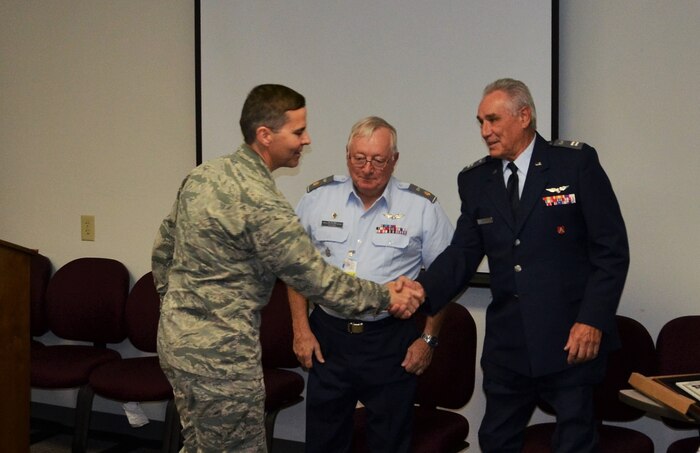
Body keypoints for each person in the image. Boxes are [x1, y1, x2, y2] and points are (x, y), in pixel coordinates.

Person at [151, 84, 424, 452]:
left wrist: (178, 311)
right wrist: (385, 295)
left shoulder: (204, 175)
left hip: (177, 344)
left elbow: (163, 248)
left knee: (199, 444)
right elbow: (315, 277)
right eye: (297, 132)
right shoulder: (262, 202)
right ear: (265, 135)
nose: (306, 140)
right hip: (222, 358)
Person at [415, 78, 630, 452]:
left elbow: (611, 251)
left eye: (493, 120)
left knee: (574, 443)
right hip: (509, 345)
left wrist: (592, 320)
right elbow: (463, 254)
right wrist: (419, 293)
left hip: (571, 340)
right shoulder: (476, 180)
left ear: (525, 115)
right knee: (496, 440)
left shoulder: (574, 164)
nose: (485, 131)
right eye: (480, 122)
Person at [287, 116, 454, 452]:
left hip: (389, 341)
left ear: (394, 160)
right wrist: (301, 330)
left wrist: (429, 339)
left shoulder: (421, 207)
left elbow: (446, 279)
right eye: (358, 158)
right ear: (347, 155)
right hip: (328, 338)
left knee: (389, 441)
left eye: (378, 160)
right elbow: (295, 270)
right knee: (323, 440)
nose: (366, 168)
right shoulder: (318, 199)